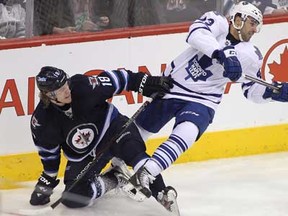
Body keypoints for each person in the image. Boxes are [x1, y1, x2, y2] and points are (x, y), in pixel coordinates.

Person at [132, 1, 288, 194]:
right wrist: (222, 54)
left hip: (204, 100)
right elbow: (195, 34)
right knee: (138, 132)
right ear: (238, 19)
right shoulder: (217, 21)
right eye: (253, 23)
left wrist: (273, 93)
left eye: (258, 25)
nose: (255, 29)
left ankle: (147, 172)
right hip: (172, 86)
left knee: (188, 131)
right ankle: (116, 162)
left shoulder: (252, 55)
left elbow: (251, 90)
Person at [29, 66, 179, 213]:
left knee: (135, 153)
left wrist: (144, 82)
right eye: (60, 90)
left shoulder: (83, 86)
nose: (67, 90)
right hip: (86, 154)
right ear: (48, 94)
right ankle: (114, 178)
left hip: (114, 130)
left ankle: (162, 193)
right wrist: (45, 185)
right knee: (73, 197)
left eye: (65, 84)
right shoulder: (42, 121)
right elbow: (50, 156)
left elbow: (119, 79)